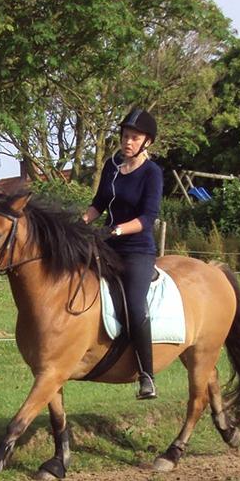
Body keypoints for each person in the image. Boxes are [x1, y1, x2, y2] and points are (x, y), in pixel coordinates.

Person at [82, 108, 164, 399]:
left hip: (137, 249)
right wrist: (79, 224)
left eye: (134, 137)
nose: (127, 142)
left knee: (134, 304)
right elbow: (98, 204)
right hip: (108, 244)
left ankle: (146, 375)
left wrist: (115, 230)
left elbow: (147, 217)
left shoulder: (152, 173)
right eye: (125, 136)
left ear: (146, 142)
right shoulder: (111, 166)